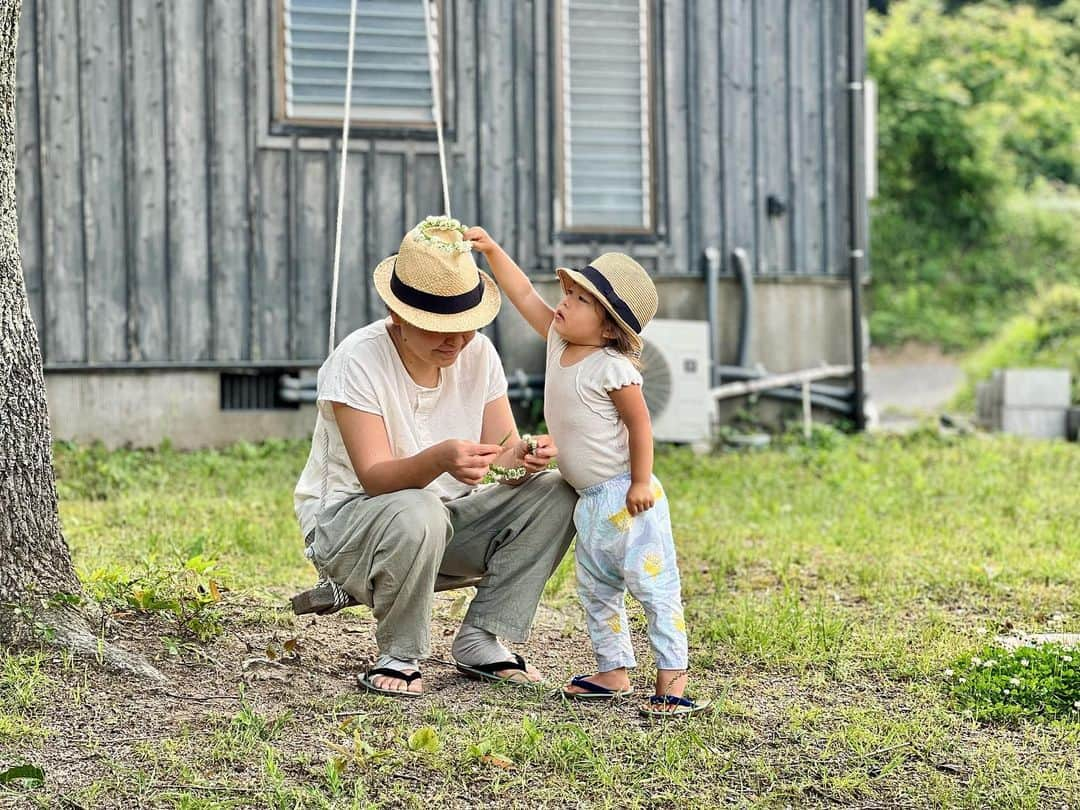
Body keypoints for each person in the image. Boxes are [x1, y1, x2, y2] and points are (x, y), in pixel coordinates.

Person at [291, 216, 577, 697]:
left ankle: (481, 638)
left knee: (558, 489)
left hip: (442, 523)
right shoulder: (357, 360)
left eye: (465, 328)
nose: (456, 341)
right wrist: (442, 459)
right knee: (418, 506)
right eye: (439, 329)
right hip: (352, 527)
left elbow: (502, 450)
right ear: (397, 315)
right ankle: (399, 654)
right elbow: (377, 477)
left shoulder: (479, 354)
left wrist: (526, 453)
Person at [465, 227, 709, 718]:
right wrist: (492, 252)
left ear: (608, 328)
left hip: (626, 497)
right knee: (597, 589)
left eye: (581, 300)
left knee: (652, 588)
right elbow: (523, 295)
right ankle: (613, 669)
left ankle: (672, 680)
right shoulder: (558, 341)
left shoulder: (612, 367)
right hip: (589, 502)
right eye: (570, 292)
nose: (565, 302)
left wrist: (642, 480)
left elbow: (640, 425)